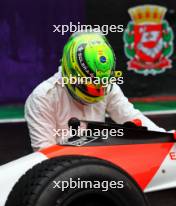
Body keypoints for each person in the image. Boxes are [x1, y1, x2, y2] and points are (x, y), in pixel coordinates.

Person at [25, 31, 165, 151]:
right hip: (63, 175)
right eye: (90, 85)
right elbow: (44, 156)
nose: (98, 91)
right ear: (72, 73)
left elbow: (133, 118)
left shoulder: (107, 86)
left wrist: (166, 139)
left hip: (98, 167)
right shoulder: (42, 98)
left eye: (101, 85)